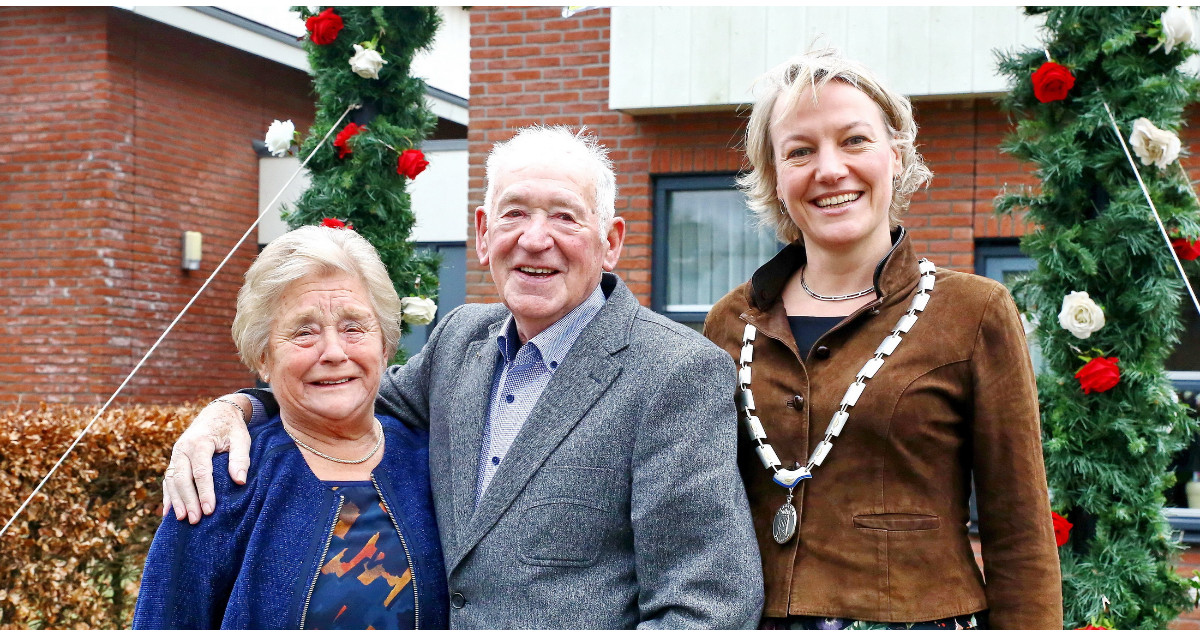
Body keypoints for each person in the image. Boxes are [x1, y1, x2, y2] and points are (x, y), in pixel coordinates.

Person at [162, 126, 764, 630]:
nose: (535, 238)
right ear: (483, 233)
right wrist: (233, 409)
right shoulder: (460, 341)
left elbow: (709, 605)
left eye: (564, 217)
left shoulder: (675, 373)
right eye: (515, 214)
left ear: (610, 243)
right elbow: (345, 393)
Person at [703, 49, 1062, 630]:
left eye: (854, 141)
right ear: (774, 175)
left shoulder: (973, 312)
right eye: (800, 151)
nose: (829, 170)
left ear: (896, 156)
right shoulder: (732, 322)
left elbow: (1019, 532)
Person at [133, 225, 449, 629]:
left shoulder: (432, 462)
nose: (334, 352)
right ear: (263, 357)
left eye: (354, 327)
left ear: (385, 346)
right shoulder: (222, 483)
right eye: (304, 331)